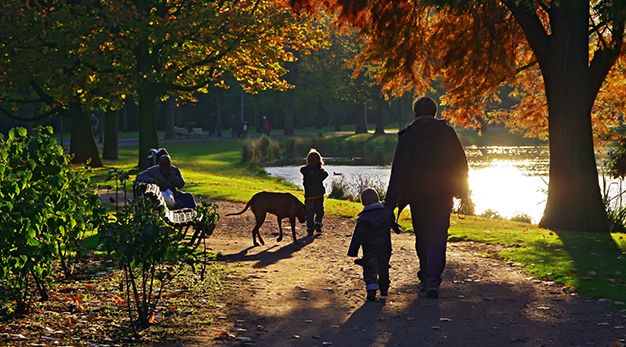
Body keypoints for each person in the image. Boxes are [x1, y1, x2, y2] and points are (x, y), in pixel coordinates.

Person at [384, 96, 469, 299]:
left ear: (415, 114)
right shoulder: (448, 133)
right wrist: (464, 193)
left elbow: (399, 171)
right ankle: (432, 279)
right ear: (435, 113)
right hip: (443, 194)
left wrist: (390, 204)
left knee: (423, 236)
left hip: (418, 195)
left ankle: (426, 277)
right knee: (439, 236)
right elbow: (461, 164)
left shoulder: (409, 136)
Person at [348, 188, 394, 301]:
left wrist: (353, 251)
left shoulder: (364, 217)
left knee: (370, 268)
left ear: (363, 202)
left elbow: (357, 235)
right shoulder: (386, 212)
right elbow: (392, 220)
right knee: (383, 266)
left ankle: (371, 288)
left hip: (370, 248)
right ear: (377, 198)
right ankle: (384, 288)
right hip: (385, 246)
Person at [300, 148, 328, 234]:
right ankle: (318, 223)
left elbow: (302, 170)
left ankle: (310, 227)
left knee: (309, 211)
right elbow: (325, 175)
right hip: (319, 194)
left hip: (309, 195)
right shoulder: (320, 172)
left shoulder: (305, 171)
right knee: (319, 210)